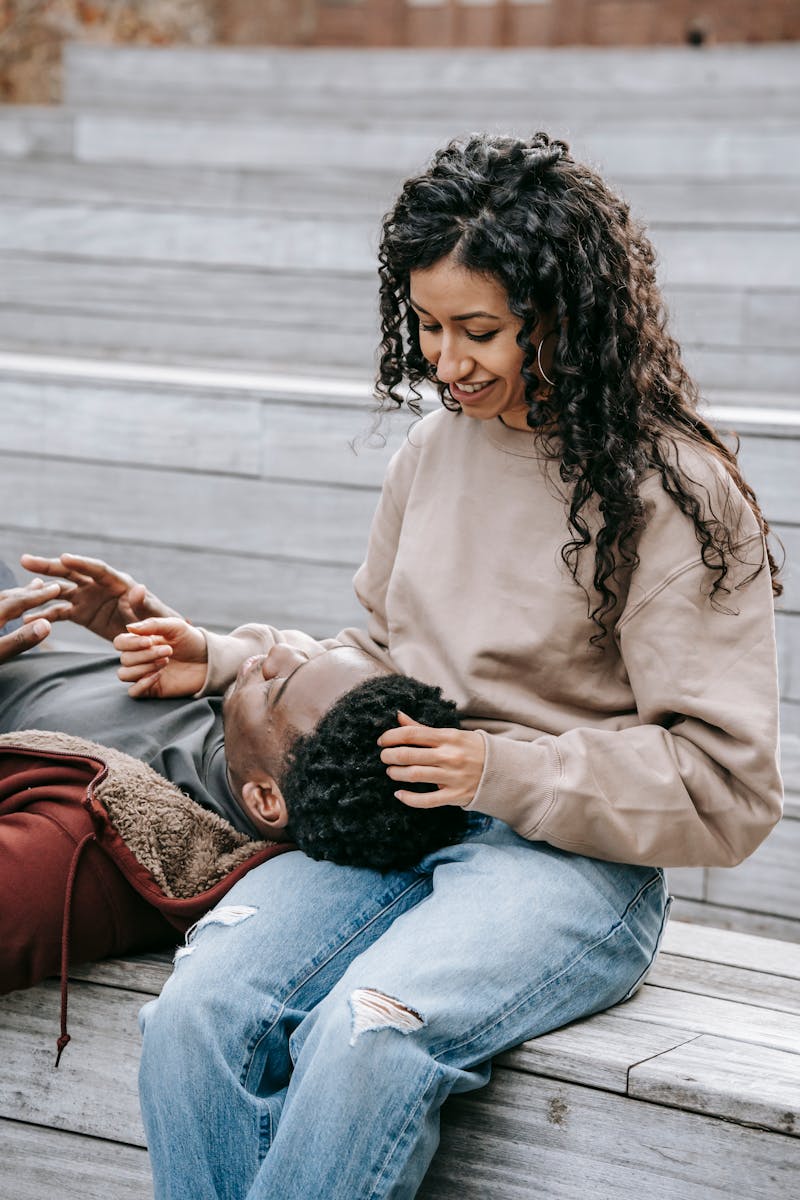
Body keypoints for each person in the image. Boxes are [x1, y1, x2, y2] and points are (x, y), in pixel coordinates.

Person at [36, 131, 790, 1198]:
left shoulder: (670, 493)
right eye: (426, 326)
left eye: (476, 331)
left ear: (562, 312)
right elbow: (385, 655)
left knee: (369, 1030)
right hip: (390, 829)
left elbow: (727, 786)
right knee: (195, 1017)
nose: (443, 362)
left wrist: (495, 772)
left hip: (567, 866)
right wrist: (228, 660)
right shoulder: (434, 452)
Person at [0, 562, 467, 1003]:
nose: (280, 651)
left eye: (280, 684)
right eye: (316, 652)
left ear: (265, 799)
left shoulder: (82, 849)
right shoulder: (256, 753)